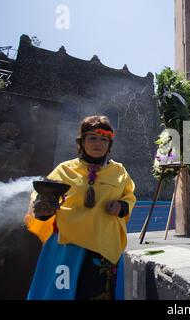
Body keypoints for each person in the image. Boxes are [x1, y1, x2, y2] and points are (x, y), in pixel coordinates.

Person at [24, 115, 136, 300]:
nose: (98, 143)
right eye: (92, 138)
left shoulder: (119, 172)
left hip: (104, 246)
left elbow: (130, 196)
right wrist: (43, 208)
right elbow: (42, 193)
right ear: (82, 141)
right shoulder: (65, 169)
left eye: (104, 139)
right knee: (62, 294)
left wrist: (121, 206)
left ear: (110, 144)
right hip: (68, 246)